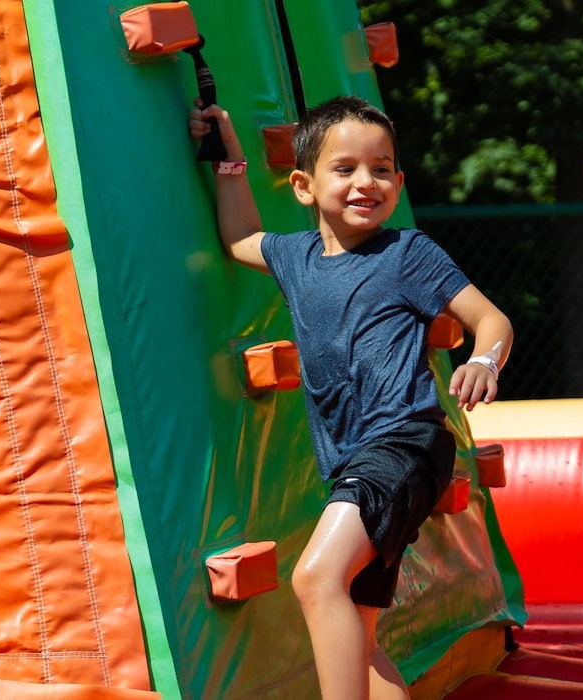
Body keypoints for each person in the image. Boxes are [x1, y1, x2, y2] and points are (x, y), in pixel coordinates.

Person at [189, 94, 513, 700]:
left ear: (398, 180)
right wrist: (226, 156)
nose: (367, 181)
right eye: (345, 169)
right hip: (354, 462)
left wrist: (482, 358)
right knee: (359, 648)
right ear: (303, 185)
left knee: (316, 578)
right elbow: (239, 238)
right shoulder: (295, 258)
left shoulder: (407, 255)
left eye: (382, 168)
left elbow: (491, 320)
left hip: (406, 443)